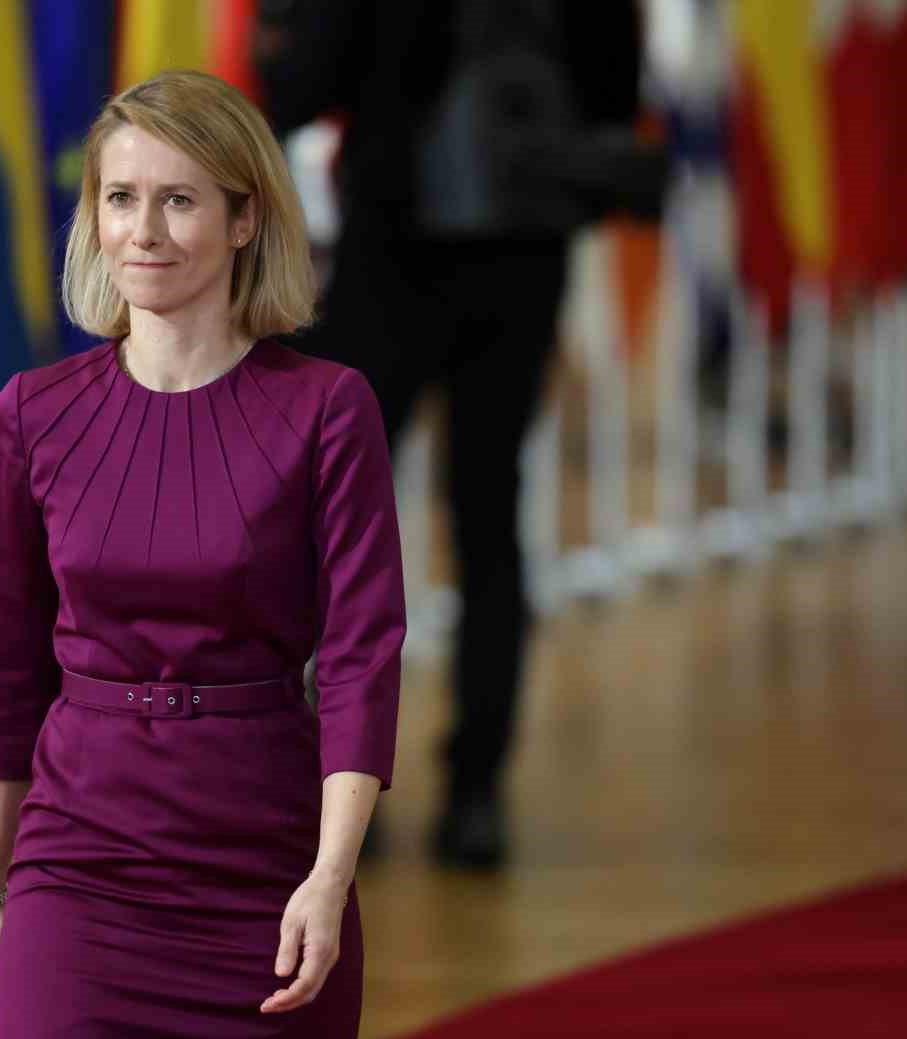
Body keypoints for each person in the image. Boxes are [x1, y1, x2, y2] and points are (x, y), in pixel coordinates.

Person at [0, 70, 406, 1039]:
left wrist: (331, 876)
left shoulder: (328, 410)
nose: (144, 231)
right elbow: (6, 672)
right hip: (76, 868)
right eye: (120, 198)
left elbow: (361, 660)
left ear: (245, 220)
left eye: (179, 200)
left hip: (265, 869)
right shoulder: (33, 413)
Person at [256, 0, 657, 868]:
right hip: (523, 254)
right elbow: (616, 96)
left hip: (394, 252)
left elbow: (300, 85)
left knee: (337, 526)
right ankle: (475, 795)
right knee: (489, 520)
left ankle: (339, 783)